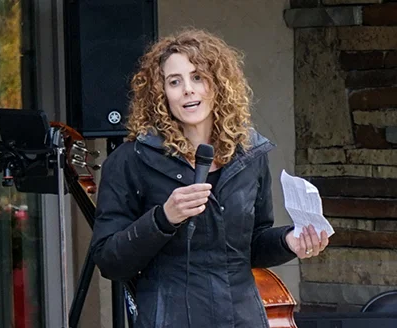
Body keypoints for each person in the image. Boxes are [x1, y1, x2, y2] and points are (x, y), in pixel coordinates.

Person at [90, 27, 330, 328]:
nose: (188, 89)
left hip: (242, 318)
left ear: (218, 85)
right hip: (170, 319)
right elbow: (109, 261)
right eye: (174, 82)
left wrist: (289, 241)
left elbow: (250, 244)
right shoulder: (131, 160)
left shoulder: (249, 155)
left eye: (197, 77)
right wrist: (164, 217)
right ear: (160, 94)